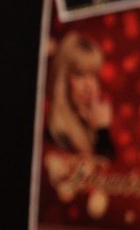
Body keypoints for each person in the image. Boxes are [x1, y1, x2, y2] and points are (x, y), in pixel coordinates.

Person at [46, 31, 115, 159]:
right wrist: (102, 131)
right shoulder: (55, 132)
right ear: (63, 80)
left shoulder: (91, 124)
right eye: (80, 75)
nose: (89, 85)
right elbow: (101, 167)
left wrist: (101, 131)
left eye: (94, 76)